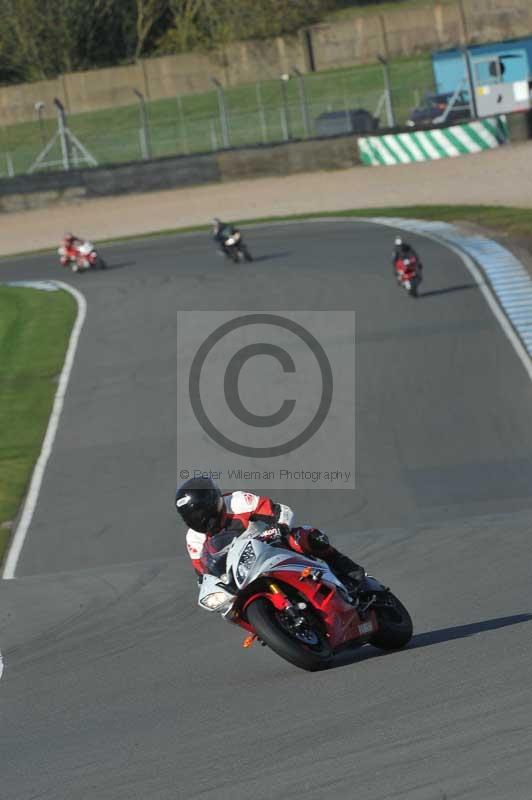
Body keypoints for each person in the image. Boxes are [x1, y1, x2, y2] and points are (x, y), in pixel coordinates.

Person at [175, 477, 365, 592]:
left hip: (270, 546)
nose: (199, 520)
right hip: (242, 572)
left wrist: (279, 527)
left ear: (213, 503)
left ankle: (350, 571)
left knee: (304, 536)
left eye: (201, 513)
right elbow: (203, 574)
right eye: (192, 517)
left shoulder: (238, 501)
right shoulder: (193, 538)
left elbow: (280, 511)